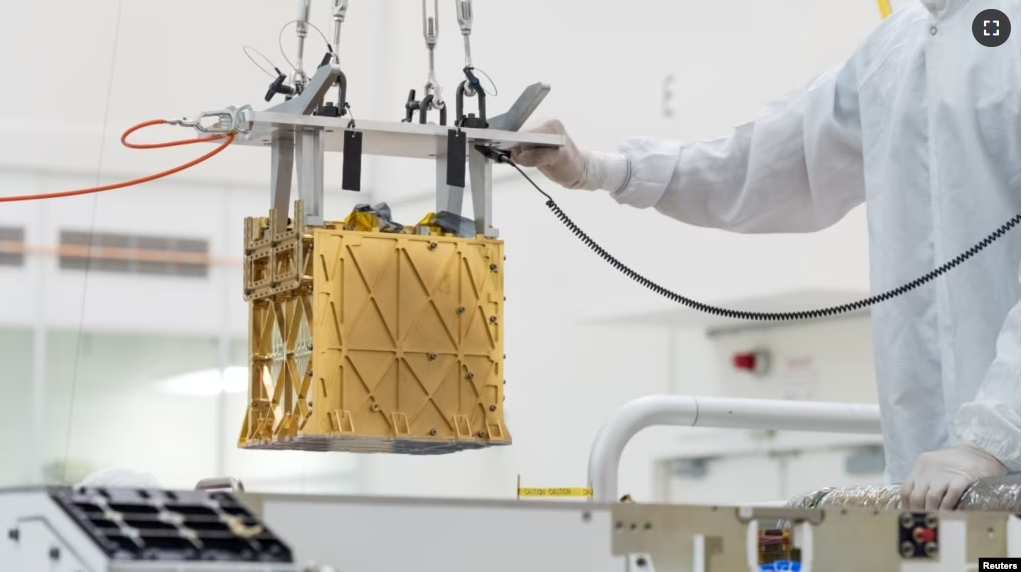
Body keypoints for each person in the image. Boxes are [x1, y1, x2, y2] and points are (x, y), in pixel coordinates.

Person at [513, 0, 1020, 510]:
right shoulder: (896, 50)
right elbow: (766, 163)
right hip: (927, 485)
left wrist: (992, 440)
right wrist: (601, 170)